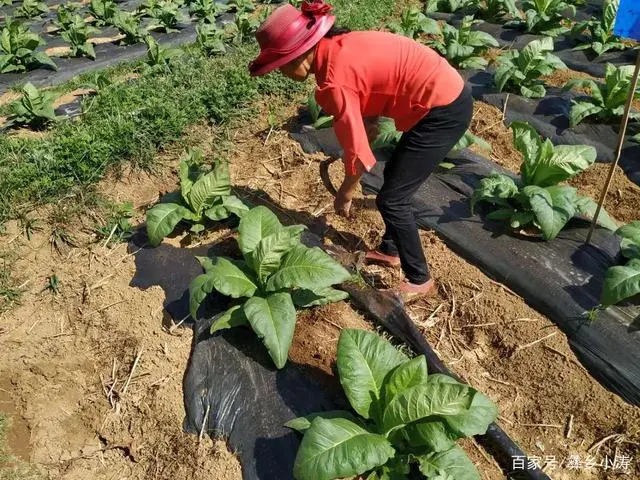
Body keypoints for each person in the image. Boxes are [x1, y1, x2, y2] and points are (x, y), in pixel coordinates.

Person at [249, 0, 472, 299]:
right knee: (394, 177)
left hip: (443, 108)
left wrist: (345, 192)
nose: (282, 74)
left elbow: (359, 156)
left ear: (297, 57)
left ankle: (419, 279)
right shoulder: (338, 46)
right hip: (442, 91)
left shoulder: (334, 82)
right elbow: (371, 88)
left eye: (280, 68)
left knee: (392, 200)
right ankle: (391, 251)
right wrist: (366, 126)